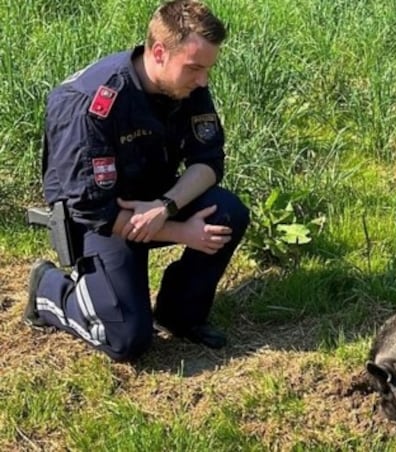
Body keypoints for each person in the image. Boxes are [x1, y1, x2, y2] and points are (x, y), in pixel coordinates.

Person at [24, 0, 250, 362]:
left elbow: (208, 162)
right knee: (126, 340)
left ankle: (179, 315)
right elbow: (93, 210)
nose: (203, 80)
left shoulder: (186, 86)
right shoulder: (90, 104)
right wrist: (181, 232)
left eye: (208, 69)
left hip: (154, 199)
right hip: (100, 221)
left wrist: (167, 207)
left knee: (228, 212)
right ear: (159, 52)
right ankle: (48, 291)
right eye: (194, 68)